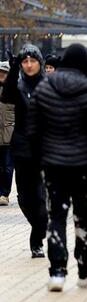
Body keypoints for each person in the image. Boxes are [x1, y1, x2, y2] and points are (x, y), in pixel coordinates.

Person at [27, 43, 87, 292]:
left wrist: (39, 159)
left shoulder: (44, 89)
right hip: (84, 167)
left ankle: (57, 272)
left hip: (53, 165)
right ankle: (85, 269)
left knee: (57, 216)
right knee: (83, 216)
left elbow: (33, 129)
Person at [1, 44, 48, 258]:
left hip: (43, 147)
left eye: (32, 61)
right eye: (24, 62)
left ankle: (37, 238)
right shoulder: (17, 85)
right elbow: (7, 96)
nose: (29, 65)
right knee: (23, 197)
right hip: (20, 146)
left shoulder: (48, 85)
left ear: (39, 62)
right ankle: (37, 225)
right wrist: (12, 71)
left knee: (39, 195)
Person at [0, 61, 14, 206]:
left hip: (10, 135)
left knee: (8, 166)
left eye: (4, 72)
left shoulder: (15, 90)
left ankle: (4, 194)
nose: (2, 74)